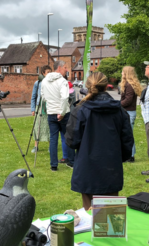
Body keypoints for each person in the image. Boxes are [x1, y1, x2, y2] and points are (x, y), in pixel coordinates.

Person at [66, 72, 133, 210]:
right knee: (107, 217)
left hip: (94, 169)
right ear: (105, 86)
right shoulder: (82, 110)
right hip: (105, 168)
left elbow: (71, 140)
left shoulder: (116, 110)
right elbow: (72, 140)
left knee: (99, 217)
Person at [41, 60, 75, 171]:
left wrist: (51, 105)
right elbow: (65, 98)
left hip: (51, 112)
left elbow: (43, 97)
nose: (67, 69)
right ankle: (71, 161)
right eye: (65, 67)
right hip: (63, 113)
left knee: (53, 138)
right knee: (68, 137)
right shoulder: (62, 81)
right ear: (59, 68)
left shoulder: (45, 81)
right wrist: (62, 112)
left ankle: (54, 165)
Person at [119, 66, 142, 163]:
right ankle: (128, 155)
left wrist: (117, 105)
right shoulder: (128, 84)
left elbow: (128, 100)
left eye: (123, 72)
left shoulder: (129, 85)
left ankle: (130, 156)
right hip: (128, 111)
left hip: (129, 112)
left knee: (128, 135)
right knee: (127, 134)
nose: (121, 73)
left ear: (126, 73)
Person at [30, 65, 52, 153]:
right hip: (39, 107)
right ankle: (36, 146)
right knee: (37, 126)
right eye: (48, 72)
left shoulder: (52, 82)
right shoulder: (37, 83)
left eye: (51, 72)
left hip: (49, 106)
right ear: (43, 73)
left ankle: (51, 146)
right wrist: (33, 109)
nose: (49, 74)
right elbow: (33, 96)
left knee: (49, 126)